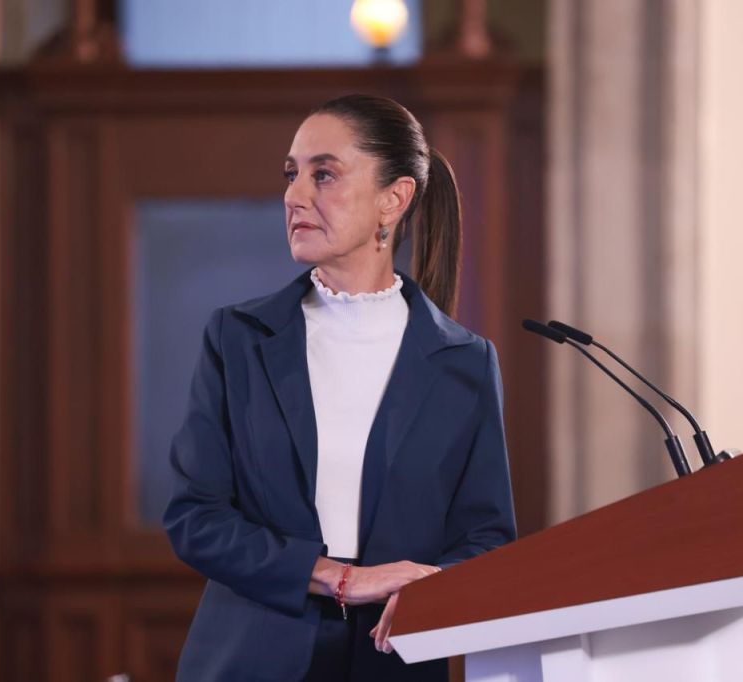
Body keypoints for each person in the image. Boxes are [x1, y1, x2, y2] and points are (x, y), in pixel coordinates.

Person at [164, 94, 517, 682]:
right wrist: (339, 577)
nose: (294, 195)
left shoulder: (466, 363)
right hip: (249, 662)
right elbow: (195, 517)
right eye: (292, 174)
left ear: (394, 199)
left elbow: (484, 537)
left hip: (392, 660)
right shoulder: (239, 339)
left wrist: (432, 588)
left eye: (323, 174)